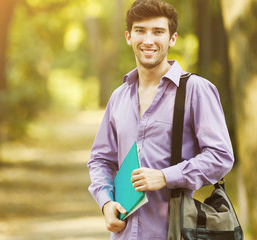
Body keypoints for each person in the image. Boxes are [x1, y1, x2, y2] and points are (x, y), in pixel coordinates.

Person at [87, 0, 234, 239]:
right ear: (128, 36)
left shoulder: (197, 90)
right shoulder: (119, 97)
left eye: (158, 32)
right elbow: (101, 160)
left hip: (176, 232)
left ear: (172, 38)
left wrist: (166, 176)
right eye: (140, 31)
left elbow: (221, 157)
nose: (148, 40)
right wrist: (106, 202)